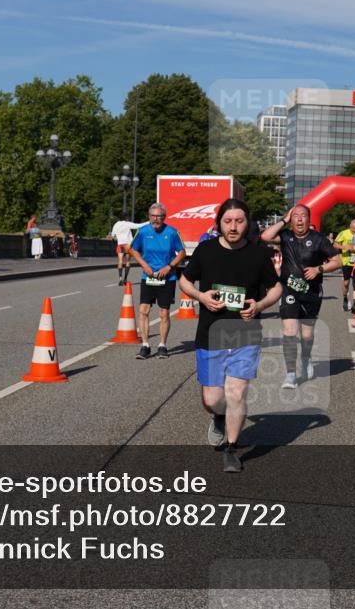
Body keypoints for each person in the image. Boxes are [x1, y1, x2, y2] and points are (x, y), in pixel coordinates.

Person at [179, 198, 283, 473]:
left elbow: (276, 288)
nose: (233, 227)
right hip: (211, 334)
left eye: (239, 221)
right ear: (219, 224)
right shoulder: (206, 250)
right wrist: (201, 296)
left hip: (246, 334)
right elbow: (185, 280)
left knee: (236, 393)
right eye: (228, 221)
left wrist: (260, 305)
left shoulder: (258, 254)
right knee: (213, 400)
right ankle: (218, 417)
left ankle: (232, 449)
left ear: (247, 223)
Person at [260, 205, 341, 389]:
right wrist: (284, 219)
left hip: (311, 292)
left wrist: (318, 269)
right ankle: (290, 374)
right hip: (289, 289)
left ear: (308, 219)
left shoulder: (319, 239)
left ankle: (306, 358)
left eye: (303, 216)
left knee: (306, 334)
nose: (299, 219)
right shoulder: (286, 236)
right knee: (289, 331)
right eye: (295, 216)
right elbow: (265, 236)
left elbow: (337, 261)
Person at [129, 203, 186, 359]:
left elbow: (182, 252)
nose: (156, 219)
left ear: (164, 217)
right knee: (143, 310)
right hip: (148, 276)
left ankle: (162, 345)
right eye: (153, 216)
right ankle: (145, 345)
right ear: (149, 217)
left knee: (164, 313)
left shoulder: (172, 232)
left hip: (167, 277)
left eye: (159, 216)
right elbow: (133, 249)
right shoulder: (142, 231)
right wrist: (144, 265)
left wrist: (169, 266)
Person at [108, 214, 147, 286]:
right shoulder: (127, 224)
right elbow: (138, 225)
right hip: (128, 244)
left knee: (120, 261)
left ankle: (120, 279)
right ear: (126, 218)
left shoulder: (116, 224)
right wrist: (149, 222)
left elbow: (113, 235)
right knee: (128, 261)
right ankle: (125, 279)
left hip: (120, 244)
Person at [333, 219, 355, 312]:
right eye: (353, 229)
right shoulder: (344, 233)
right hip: (346, 262)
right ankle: (345, 297)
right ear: (350, 226)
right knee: (346, 283)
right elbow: (335, 244)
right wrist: (345, 247)